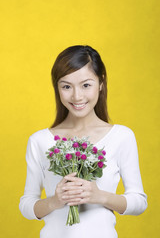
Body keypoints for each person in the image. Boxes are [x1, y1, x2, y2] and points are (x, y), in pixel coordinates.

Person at [19, 45, 147, 238]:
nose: (77, 96)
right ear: (57, 88)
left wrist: (99, 196)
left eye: (86, 85)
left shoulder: (122, 136)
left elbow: (139, 202)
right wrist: (55, 200)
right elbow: (27, 204)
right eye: (66, 86)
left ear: (101, 83)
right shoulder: (40, 141)